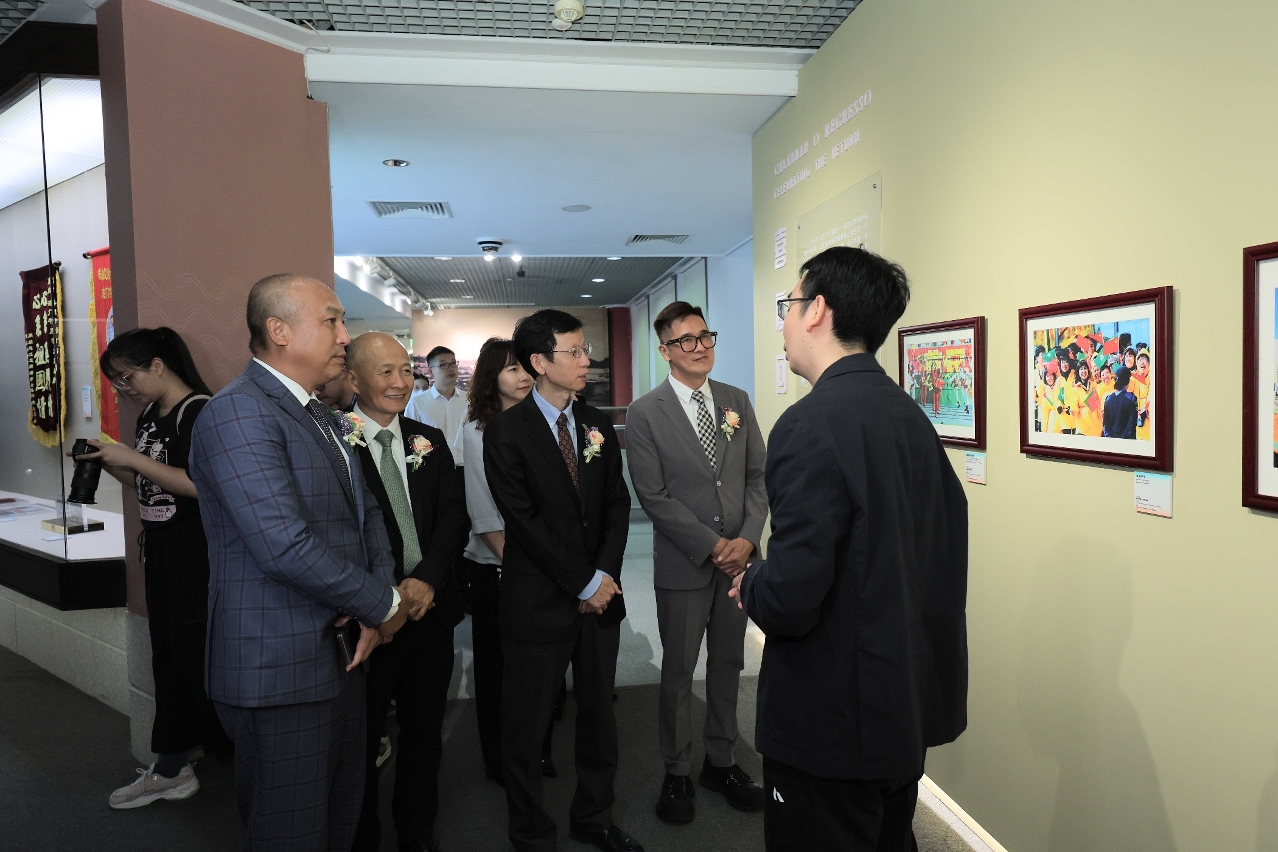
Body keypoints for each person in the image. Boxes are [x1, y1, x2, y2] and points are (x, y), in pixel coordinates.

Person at [730, 246, 968, 852]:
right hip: (900, 706)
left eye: (788, 305)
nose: (783, 323)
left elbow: (791, 596)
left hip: (832, 721)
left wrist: (751, 581)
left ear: (816, 311)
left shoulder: (809, 423)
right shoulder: (909, 416)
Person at [190, 274, 412, 851]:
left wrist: (375, 606)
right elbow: (283, 545)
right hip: (279, 669)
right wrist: (384, 603)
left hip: (342, 655)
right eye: (332, 320)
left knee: (340, 820)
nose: (345, 336)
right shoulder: (238, 414)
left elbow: (367, 516)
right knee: (291, 832)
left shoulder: (320, 413)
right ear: (279, 330)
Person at [483, 310, 640, 852]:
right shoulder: (506, 432)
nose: (585, 360)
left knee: (599, 720)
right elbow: (523, 522)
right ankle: (531, 834)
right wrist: (583, 581)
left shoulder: (596, 424)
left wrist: (604, 576)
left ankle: (594, 818)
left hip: (600, 598)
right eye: (573, 352)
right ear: (539, 362)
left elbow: (617, 503)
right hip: (537, 601)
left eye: (584, 349)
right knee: (527, 728)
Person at [74, 328, 231, 809]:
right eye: (117, 381)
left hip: (196, 556)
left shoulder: (200, 411)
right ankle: (173, 764)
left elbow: (202, 485)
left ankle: (223, 760)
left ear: (158, 365)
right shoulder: (149, 415)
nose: (125, 388)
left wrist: (131, 457)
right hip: (161, 554)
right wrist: (108, 460)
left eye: (128, 376)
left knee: (198, 660)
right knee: (168, 658)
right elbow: (146, 479)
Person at [624, 301, 768, 823]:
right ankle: (677, 771)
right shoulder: (645, 412)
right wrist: (714, 545)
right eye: (686, 340)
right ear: (665, 350)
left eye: (705, 336)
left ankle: (721, 762)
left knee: (729, 664)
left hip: (739, 565)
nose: (700, 346)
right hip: (686, 564)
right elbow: (653, 496)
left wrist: (747, 540)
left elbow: (757, 477)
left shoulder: (736, 400)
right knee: (679, 671)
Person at [345, 333, 468, 852]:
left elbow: (453, 517)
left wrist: (427, 580)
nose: (400, 383)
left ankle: (417, 835)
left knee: (423, 736)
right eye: (385, 372)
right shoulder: (334, 441)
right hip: (369, 621)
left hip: (430, 610)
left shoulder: (428, 439)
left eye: (405, 371)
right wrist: (386, 598)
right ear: (352, 379)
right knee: (360, 744)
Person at [407, 346, 467, 465]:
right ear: (430, 371)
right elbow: (409, 439)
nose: (450, 368)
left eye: (453, 363)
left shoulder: (469, 400)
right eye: (443, 365)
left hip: (465, 467)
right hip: (432, 467)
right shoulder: (417, 403)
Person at [1103, 366, 1139, 439]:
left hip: (1111, 441)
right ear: (1127, 381)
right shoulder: (1131, 398)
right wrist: (1122, 439)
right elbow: (1132, 424)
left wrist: (1111, 437)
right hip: (1127, 442)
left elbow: (1106, 424)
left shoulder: (1108, 399)